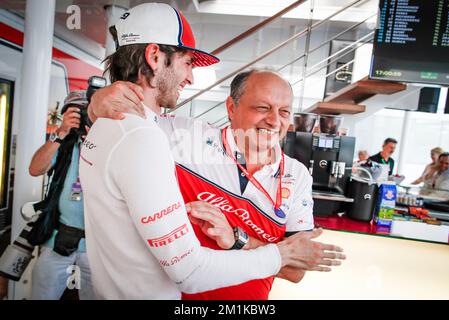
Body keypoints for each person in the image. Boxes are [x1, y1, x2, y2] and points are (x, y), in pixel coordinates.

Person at [80, 3, 345, 300]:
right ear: (231, 108)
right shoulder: (178, 137)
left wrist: (238, 238)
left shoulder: (297, 176)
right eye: (262, 108)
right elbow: (132, 120)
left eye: (284, 111)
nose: (274, 120)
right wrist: (95, 102)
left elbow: (295, 268)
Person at [28, 91, 95, 300]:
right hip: (58, 239)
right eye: (76, 112)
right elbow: (35, 169)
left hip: (97, 246)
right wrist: (61, 132)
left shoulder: (107, 143)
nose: (83, 116)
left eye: (87, 112)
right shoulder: (63, 144)